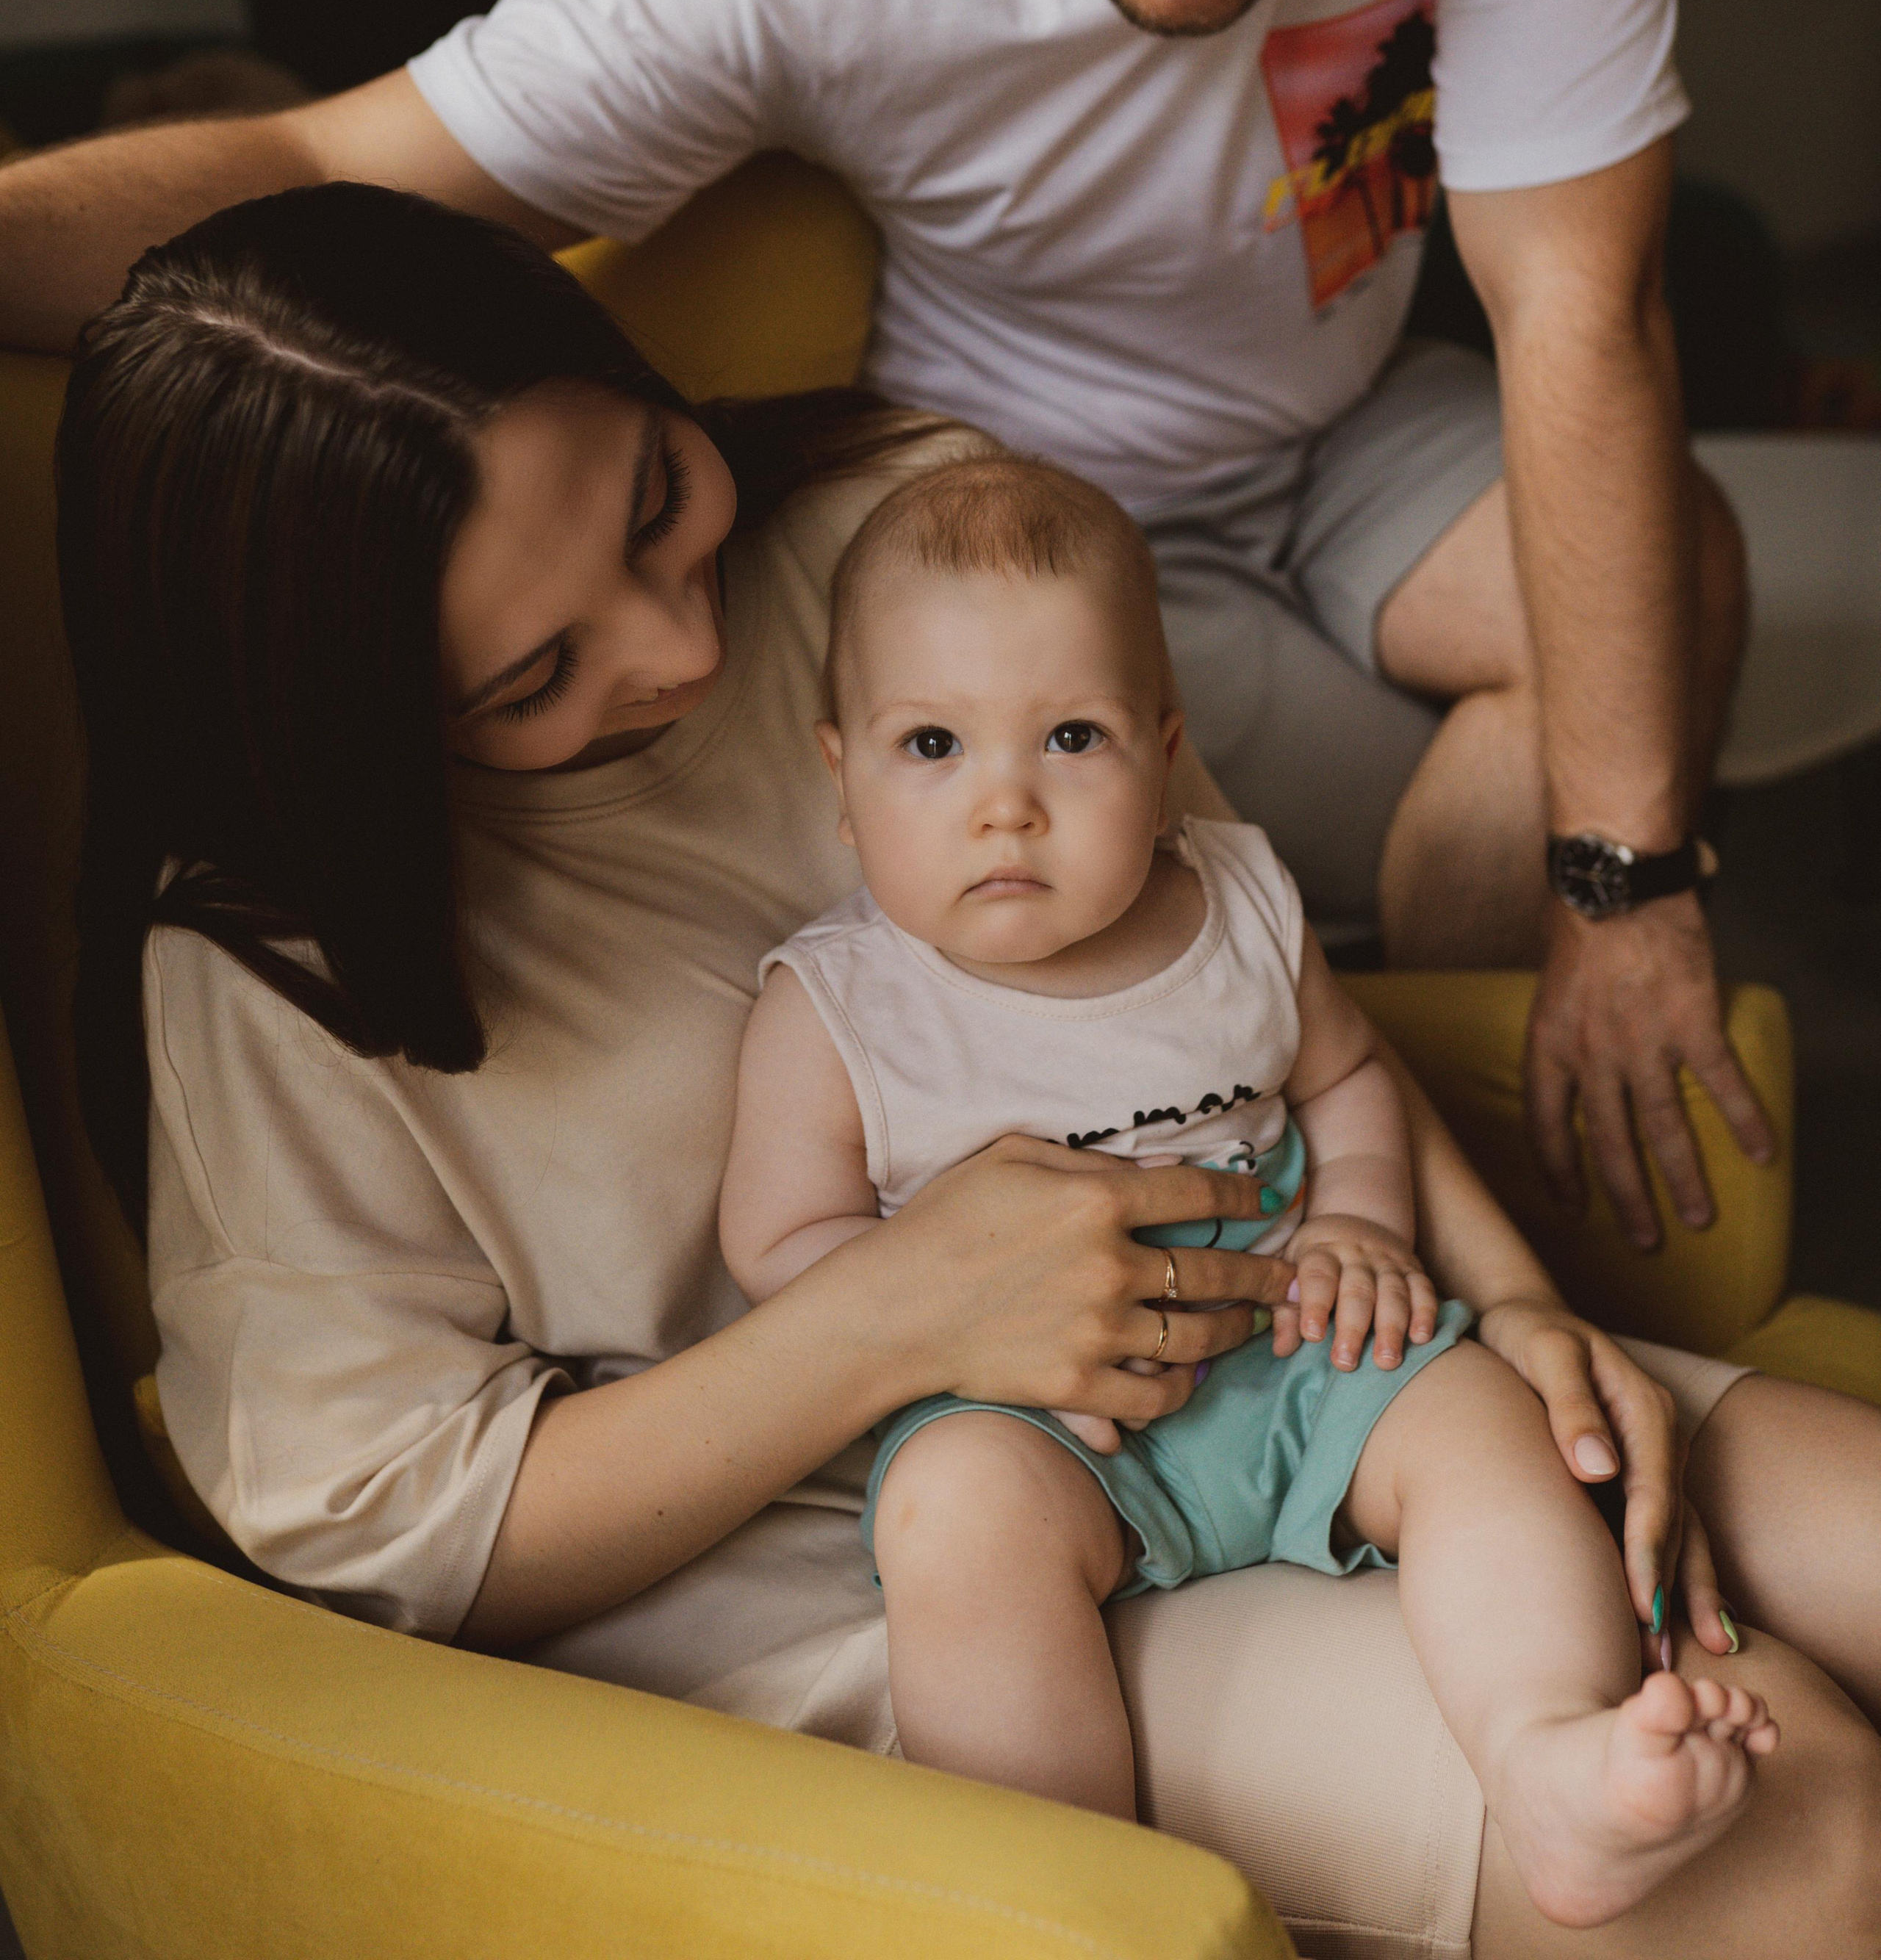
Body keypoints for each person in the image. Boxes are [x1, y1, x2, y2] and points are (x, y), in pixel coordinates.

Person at [53, 185, 1881, 1959]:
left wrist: (1503, 1300)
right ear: (355, 721)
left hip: (1286, 1328)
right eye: (534, 672)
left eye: (653, 501)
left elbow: (1256, 991)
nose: (682, 647)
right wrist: (894, 1319)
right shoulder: (267, 970)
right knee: (1800, 1836)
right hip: (912, 1554)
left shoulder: (906, 523)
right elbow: (400, 1527)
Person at [2, 0, 1770, 1244]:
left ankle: (1431, 1159)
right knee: (1558, 745)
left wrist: (1625, 897)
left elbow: (1578, 303)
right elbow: (323, 158)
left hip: (1348, 420)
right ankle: (1379, 1134)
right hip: (1041, 520)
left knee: (1669, 586)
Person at [722, 454, 1777, 1927]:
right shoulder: (838, 1006)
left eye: (1069, 737)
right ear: (840, 776)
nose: (1003, 806)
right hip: (1037, 1412)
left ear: (1162, 754)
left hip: (1298, 1348)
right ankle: (1049, 1882)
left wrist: (1354, 1219)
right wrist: (939, 1320)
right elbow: (776, 1240)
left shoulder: (1233, 905)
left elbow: (1346, 1081)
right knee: (956, 1526)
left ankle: (1547, 1755)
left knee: (1476, 1428)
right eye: (931, 747)